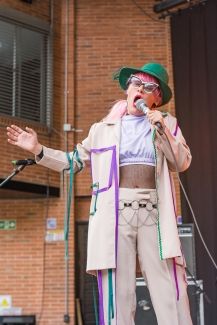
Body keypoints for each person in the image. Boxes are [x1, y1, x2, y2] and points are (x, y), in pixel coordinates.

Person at [7, 62, 193, 325]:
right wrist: (39, 150)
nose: (142, 89)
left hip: (154, 214)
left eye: (150, 87)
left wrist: (162, 129)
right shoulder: (102, 129)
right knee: (119, 293)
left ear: (156, 98)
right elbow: (74, 162)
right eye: (137, 84)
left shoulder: (167, 123)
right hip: (116, 216)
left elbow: (181, 162)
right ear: (128, 89)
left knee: (168, 290)